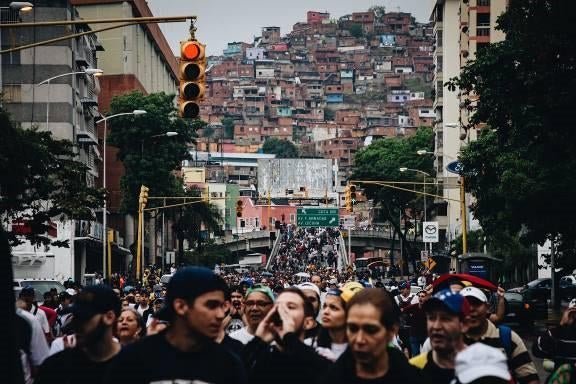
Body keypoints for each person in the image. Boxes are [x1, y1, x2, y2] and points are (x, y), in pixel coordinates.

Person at [104, 267, 246, 384]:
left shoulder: (228, 364)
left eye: (222, 306)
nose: (221, 314)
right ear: (181, 306)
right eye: (211, 305)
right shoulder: (133, 360)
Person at [320, 288, 427, 383]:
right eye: (353, 328)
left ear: (391, 331)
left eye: (371, 330)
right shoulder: (332, 377)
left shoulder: (413, 377)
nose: (360, 339)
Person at [34, 285, 122, 384]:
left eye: (84, 318)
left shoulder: (131, 365)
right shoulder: (56, 366)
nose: (76, 325)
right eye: (75, 317)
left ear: (109, 317)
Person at [243, 287, 331, 384]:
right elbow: (234, 372)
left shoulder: (319, 358)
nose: (281, 312)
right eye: (277, 307)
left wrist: (289, 337)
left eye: (290, 307)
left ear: (308, 322)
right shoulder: (260, 359)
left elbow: (329, 374)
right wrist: (259, 339)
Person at [460, 286, 539, 384]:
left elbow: (530, 378)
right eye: (465, 305)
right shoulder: (449, 341)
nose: (471, 309)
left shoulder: (508, 337)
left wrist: (501, 298)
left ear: (487, 308)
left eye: (476, 304)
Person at [410, 289, 470, 384]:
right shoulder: (414, 370)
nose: (436, 326)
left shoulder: (482, 368)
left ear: (464, 324)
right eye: (431, 318)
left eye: (445, 318)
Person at [309, 282, 363, 361]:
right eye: (325, 306)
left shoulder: (362, 349)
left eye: (334, 308)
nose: (326, 312)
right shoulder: (310, 345)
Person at [533, 298, 576, 368]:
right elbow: (537, 350)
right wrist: (561, 325)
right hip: (563, 377)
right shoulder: (560, 335)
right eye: (572, 314)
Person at [402, 289, 429, 356]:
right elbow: (402, 311)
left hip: (425, 334)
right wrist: (407, 321)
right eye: (419, 296)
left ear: (426, 298)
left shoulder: (430, 308)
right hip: (414, 335)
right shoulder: (413, 307)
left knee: (427, 355)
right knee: (416, 354)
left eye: (422, 296)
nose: (420, 298)